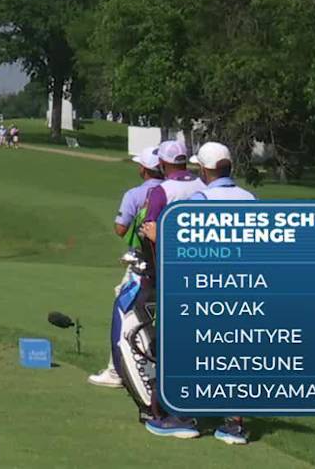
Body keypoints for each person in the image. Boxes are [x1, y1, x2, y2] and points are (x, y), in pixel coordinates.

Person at [135, 140, 208, 438]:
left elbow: (151, 235)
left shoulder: (161, 191)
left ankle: (175, 414)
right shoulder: (203, 187)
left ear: (163, 165)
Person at [187, 142, 255, 446]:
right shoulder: (249, 198)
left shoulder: (200, 198)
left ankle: (189, 416)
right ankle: (234, 424)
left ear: (204, 170)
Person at [88, 146, 163, 388]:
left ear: (144, 169)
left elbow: (120, 228)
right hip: (173, 262)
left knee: (125, 311)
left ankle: (117, 371)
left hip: (142, 263)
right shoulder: (179, 189)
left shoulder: (136, 194)